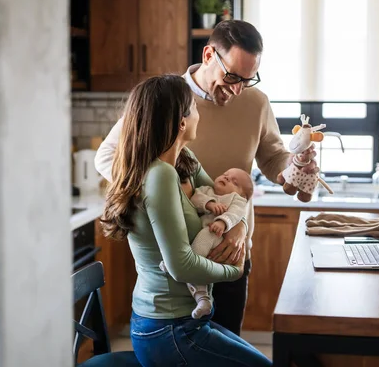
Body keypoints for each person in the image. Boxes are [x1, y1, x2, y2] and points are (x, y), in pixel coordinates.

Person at [95, 20, 318, 335]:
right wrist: (166, 189)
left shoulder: (257, 102)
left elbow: (272, 157)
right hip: (176, 260)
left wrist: (293, 168)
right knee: (182, 351)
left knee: (225, 345)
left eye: (248, 79)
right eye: (232, 76)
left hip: (232, 248)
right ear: (209, 54)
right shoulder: (168, 98)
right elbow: (107, 157)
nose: (237, 88)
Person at [100, 75, 272, 366]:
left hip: (181, 321)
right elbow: (180, 267)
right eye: (193, 106)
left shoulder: (182, 160)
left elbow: (227, 200)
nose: (199, 112)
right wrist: (235, 271)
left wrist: (239, 227)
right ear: (181, 123)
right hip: (167, 328)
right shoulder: (160, 175)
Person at [159, 168, 254, 320]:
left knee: (204, 238)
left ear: (242, 194)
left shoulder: (237, 200)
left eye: (234, 182)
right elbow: (195, 198)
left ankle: (176, 265)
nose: (226, 178)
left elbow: (236, 213)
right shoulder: (206, 190)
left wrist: (223, 222)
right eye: (225, 174)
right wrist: (209, 204)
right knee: (202, 269)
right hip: (204, 234)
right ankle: (203, 299)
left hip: (219, 237)